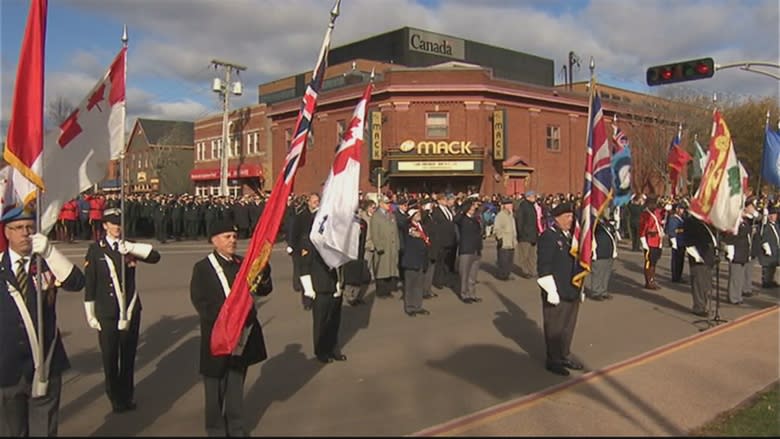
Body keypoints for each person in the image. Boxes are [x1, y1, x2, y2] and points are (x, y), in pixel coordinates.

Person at [0, 206, 85, 436]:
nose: (25, 233)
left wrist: (50, 252)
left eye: (29, 227)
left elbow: (77, 282)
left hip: (44, 364)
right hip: (5, 367)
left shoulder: (47, 262)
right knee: (11, 432)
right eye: (18, 228)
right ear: (6, 232)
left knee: (44, 432)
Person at [190, 218, 272, 436]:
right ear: (214, 240)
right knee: (214, 388)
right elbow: (201, 302)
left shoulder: (243, 264)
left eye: (234, 237)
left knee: (235, 387)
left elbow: (263, 290)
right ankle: (215, 430)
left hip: (242, 337)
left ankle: (236, 428)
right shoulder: (203, 268)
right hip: (218, 337)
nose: (233, 241)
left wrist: (264, 272)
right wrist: (225, 323)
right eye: (227, 237)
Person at [83, 208, 161, 413]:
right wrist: (89, 311)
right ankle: (114, 395)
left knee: (128, 355)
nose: (118, 226)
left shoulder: (128, 245)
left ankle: (126, 395)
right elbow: (90, 282)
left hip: (130, 309)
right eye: (113, 223)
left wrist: (133, 248)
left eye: (120, 223)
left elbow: (156, 257)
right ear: (105, 226)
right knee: (110, 357)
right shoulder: (96, 249)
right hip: (107, 311)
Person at [536, 202, 584, 377]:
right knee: (555, 327)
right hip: (557, 290)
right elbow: (544, 266)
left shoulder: (571, 237)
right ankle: (553, 360)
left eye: (572, 216)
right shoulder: (548, 236)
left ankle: (564, 355)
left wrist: (581, 286)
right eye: (567, 217)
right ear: (556, 218)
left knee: (568, 326)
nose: (571, 220)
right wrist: (550, 290)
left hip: (572, 289)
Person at [298, 206, 347, 364]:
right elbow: (304, 266)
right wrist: (308, 289)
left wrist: (340, 282)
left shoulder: (334, 241)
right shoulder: (308, 241)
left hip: (334, 286)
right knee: (321, 321)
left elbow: (339, 264)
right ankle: (321, 351)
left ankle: (333, 348)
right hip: (319, 287)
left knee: (334, 321)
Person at [723, 200, 758, 305]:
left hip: (743, 252)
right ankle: (733, 297)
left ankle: (737, 296)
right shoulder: (735, 221)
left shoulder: (744, 221)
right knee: (735, 275)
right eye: (750, 207)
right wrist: (729, 249)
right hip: (737, 251)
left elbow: (756, 220)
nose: (751, 210)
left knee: (740, 276)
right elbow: (729, 236)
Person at [400, 207, 431, 316]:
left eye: (419, 213)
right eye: (416, 214)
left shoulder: (423, 227)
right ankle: (410, 307)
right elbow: (403, 225)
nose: (419, 215)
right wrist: (409, 220)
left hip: (422, 259)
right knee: (410, 285)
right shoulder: (408, 227)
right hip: (411, 259)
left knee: (419, 285)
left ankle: (418, 306)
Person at [683, 214, 717, 317]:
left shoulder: (707, 222)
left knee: (706, 283)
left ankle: (704, 305)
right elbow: (688, 242)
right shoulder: (691, 222)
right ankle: (699, 307)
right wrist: (696, 256)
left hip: (708, 256)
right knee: (699, 282)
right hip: (699, 257)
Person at [369, 195, 400, 298]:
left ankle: (387, 290)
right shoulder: (376, 216)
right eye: (387, 203)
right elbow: (374, 233)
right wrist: (379, 246)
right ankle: (381, 292)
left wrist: (397, 245)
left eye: (389, 203)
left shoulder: (391, 215)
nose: (389, 205)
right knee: (382, 271)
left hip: (392, 246)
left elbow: (395, 232)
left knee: (390, 270)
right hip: (383, 247)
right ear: (381, 204)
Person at [454, 200, 483, 303]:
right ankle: (464, 294)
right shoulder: (462, 219)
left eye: (474, 207)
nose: (473, 209)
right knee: (464, 274)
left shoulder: (476, 219)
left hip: (476, 249)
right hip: (466, 249)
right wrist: (463, 207)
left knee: (473, 274)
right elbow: (456, 218)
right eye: (471, 207)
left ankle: (472, 294)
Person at [587, 216, 617, 301]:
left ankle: (603, 291)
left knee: (606, 274)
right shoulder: (594, 224)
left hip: (609, 253)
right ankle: (596, 292)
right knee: (597, 274)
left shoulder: (605, 224)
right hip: (599, 253)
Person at [639, 196, 664, 289]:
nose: (654, 205)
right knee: (649, 263)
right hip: (650, 242)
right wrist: (644, 244)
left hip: (657, 241)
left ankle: (652, 279)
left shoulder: (657, 212)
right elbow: (642, 230)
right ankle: (648, 282)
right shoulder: (645, 215)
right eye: (652, 203)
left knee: (654, 263)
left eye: (655, 203)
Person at [515, 190, 541, 278]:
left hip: (533, 234)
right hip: (525, 235)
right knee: (524, 255)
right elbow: (520, 221)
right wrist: (521, 233)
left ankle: (532, 270)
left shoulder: (532, 206)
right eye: (533, 196)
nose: (535, 198)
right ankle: (525, 271)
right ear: (528, 197)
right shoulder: (523, 206)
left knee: (532, 255)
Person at [493, 197, 517, 281]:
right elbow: (497, 228)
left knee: (510, 260)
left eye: (511, 204)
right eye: (508, 204)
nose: (511, 206)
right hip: (504, 241)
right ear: (504, 206)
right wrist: (500, 238)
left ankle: (507, 274)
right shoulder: (500, 215)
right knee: (503, 259)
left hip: (511, 241)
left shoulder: (511, 215)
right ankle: (502, 275)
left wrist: (515, 240)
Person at [758, 206, 780, 288]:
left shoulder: (776, 225)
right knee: (767, 267)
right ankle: (766, 282)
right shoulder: (765, 226)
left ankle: (771, 280)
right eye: (771, 214)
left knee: (772, 267)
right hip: (768, 249)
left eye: (774, 215)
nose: (773, 216)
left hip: (775, 249)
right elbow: (763, 235)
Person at [666, 203, 686, 283]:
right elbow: (672, 231)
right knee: (676, 260)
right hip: (677, 241)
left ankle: (679, 276)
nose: (682, 210)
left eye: (683, 209)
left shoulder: (681, 218)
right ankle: (675, 277)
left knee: (680, 260)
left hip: (681, 242)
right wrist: (673, 242)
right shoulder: (673, 219)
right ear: (677, 209)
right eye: (680, 209)